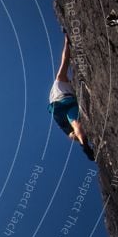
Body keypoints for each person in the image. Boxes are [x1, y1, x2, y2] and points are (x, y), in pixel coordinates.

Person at [48, 33, 95, 161]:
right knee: (75, 123)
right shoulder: (60, 79)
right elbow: (65, 60)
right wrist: (66, 43)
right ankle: (83, 143)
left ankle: (82, 142)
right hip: (64, 101)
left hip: (56, 110)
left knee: (73, 131)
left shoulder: (61, 86)